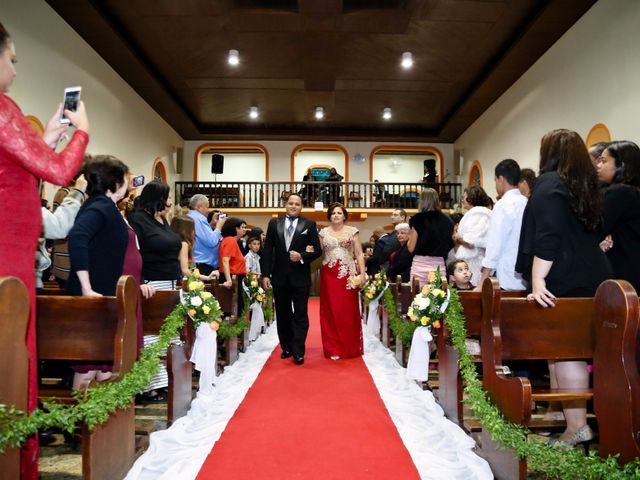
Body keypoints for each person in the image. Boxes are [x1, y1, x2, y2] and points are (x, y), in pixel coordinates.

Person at [0, 22, 90, 477]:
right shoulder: (0, 106)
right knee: (13, 347)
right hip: (7, 249)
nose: (14, 69)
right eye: (11, 59)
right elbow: (56, 173)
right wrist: (81, 134)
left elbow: (26, 162)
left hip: (11, 244)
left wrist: (50, 132)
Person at [516, 128, 612, 448]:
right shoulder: (584, 184)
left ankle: (577, 427)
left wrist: (539, 278)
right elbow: (597, 230)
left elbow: (549, 234)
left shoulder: (550, 182)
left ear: (550, 153)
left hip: (564, 275)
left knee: (566, 352)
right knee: (559, 351)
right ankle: (565, 419)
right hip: (593, 274)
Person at [67, 156, 130, 391]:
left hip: (104, 293)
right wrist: (86, 287)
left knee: (102, 367)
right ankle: (81, 424)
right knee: (89, 366)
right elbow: (77, 237)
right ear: (115, 182)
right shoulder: (100, 206)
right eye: (125, 178)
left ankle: (98, 425)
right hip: (93, 296)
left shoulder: (105, 205)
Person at [261, 193, 321, 365]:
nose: (294, 206)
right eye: (290, 203)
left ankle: (298, 350)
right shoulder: (274, 223)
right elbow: (268, 251)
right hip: (279, 278)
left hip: (300, 278)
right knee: (283, 314)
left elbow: (317, 250)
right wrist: (265, 274)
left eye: (297, 203)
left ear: (301, 207)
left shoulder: (309, 224)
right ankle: (286, 346)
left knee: (301, 315)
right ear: (285, 205)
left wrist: (301, 256)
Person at [319, 203, 367, 360]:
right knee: (330, 310)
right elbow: (318, 252)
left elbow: (359, 253)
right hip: (329, 274)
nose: (336, 215)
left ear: (344, 216)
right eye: (333, 213)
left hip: (347, 274)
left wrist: (363, 273)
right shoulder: (323, 232)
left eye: (339, 213)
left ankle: (349, 346)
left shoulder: (353, 231)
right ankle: (333, 347)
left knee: (346, 309)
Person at [477, 159, 528, 291]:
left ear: (501, 179)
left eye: (495, 181)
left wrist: (482, 281)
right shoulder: (526, 202)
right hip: (526, 276)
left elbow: (495, 244)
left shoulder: (503, 205)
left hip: (507, 277)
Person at [597, 140, 640, 291]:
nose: (598, 166)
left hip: (624, 272)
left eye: (603, 161)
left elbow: (595, 229)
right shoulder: (633, 192)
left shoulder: (620, 193)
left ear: (621, 165)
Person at [407, 188, 454, 285]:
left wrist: (408, 239)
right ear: (437, 200)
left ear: (422, 201)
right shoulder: (447, 220)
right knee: (438, 297)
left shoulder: (417, 219)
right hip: (438, 265)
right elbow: (450, 243)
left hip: (420, 265)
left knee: (417, 297)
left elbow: (411, 248)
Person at [454, 185, 492, 286]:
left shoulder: (476, 214)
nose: (463, 200)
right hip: (482, 259)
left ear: (471, 198)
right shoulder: (486, 213)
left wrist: (458, 238)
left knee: (472, 290)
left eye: (465, 197)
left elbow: (471, 243)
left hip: (473, 261)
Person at [170, 215, 217, 281]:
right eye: (193, 228)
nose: (195, 231)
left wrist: (207, 278)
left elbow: (193, 269)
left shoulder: (185, 244)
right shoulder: (184, 244)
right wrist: (197, 280)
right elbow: (185, 270)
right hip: (180, 283)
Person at [219, 217, 248, 314]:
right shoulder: (230, 240)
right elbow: (225, 260)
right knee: (234, 308)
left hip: (234, 277)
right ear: (235, 229)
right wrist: (229, 280)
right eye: (241, 227)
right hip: (231, 277)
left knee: (236, 306)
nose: (243, 229)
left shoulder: (230, 240)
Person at [188, 194, 222, 276]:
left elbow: (203, 237)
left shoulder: (191, 217)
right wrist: (218, 227)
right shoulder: (198, 219)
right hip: (202, 265)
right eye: (207, 207)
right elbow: (211, 241)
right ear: (199, 207)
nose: (208, 210)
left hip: (198, 263)